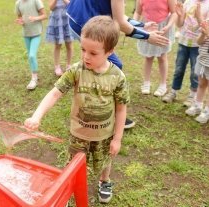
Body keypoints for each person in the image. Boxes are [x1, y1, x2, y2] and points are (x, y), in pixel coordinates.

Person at [24, 16, 129, 204]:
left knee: (105, 160)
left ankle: (105, 181)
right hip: (78, 134)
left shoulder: (117, 77)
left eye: (93, 53)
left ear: (110, 51)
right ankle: (69, 184)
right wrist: (36, 115)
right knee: (73, 164)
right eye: (82, 49)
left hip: (105, 135)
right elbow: (55, 93)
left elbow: (121, 108)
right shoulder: (76, 70)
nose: (86, 56)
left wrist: (117, 139)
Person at [66, 0, 169, 129]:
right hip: (82, 22)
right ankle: (103, 111)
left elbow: (117, 15)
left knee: (105, 66)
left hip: (77, 17)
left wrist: (142, 25)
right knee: (111, 66)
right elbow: (120, 23)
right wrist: (147, 36)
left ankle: (96, 106)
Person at [162, 0, 209, 106]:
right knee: (178, 69)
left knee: (195, 72)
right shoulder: (188, 2)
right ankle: (173, 92)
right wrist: (180, 15)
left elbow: (207, 28)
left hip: (198, 45)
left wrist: (199, 16)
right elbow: (180, 24)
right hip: (183, 42)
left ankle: (192, 96)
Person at [134, 0, 177, 97]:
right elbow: (137, 12)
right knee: (148, 57)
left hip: (163, 27)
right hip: (147, 28)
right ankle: (146, 83)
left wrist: (168, 26)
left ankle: (163, 85)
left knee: (162, 57)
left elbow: (174, 13)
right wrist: (135, 25)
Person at [185, 17, 209, 124]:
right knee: (201, 84)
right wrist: (204, 34)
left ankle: (208, 112)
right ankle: (197, 105)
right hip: (202, 60)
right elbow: (199, 42)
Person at [15, 0, 47, 90]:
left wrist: (35, 18)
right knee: (30, 56)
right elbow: (20, 17)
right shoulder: (18, 3)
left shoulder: (36, 1)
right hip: (26, 34)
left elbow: (45, 15)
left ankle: (34, 79)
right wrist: (20, 21)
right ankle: (34, 75)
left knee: (32, 55)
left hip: (36, 33)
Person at [45, 0, 75, 77]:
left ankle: (69, 65)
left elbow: (72, 5)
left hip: (67, 21)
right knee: (57, 45)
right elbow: (51, 8)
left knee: (69, 44)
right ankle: (57, 67)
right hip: (57, 21)